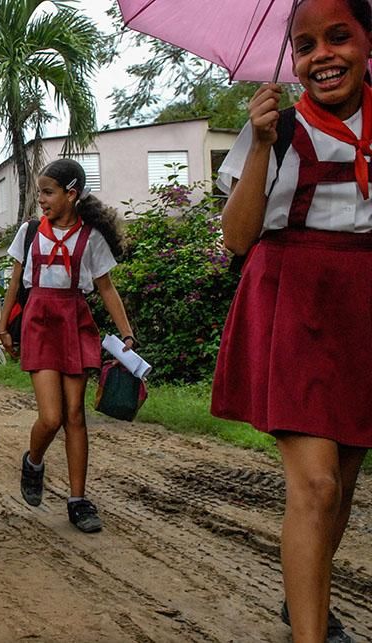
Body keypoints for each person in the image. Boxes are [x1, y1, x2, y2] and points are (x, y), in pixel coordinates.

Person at [211, 1, 371, 640]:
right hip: (292, 302)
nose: (322, 55)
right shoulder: (274, 127)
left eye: (339, 37)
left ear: (367, 41)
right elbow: (237, 236)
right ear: (292, 59)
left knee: (345, 481)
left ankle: (307, 598)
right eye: (305, 46)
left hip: (361, 307)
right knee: (318, 486)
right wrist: (259, 145)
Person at [0, 159, 134, 534]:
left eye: (48, 192)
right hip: (39, 323)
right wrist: (4, 325)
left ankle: (78, 500)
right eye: (39, 192)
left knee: (75, 415)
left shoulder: (91, 238)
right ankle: (33, 460)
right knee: (51, 417)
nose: (41, 199)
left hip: (75, 322)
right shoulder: (29, 233)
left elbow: (107, 289)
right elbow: (14, 283)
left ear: (71, 194)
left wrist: (127, 334)